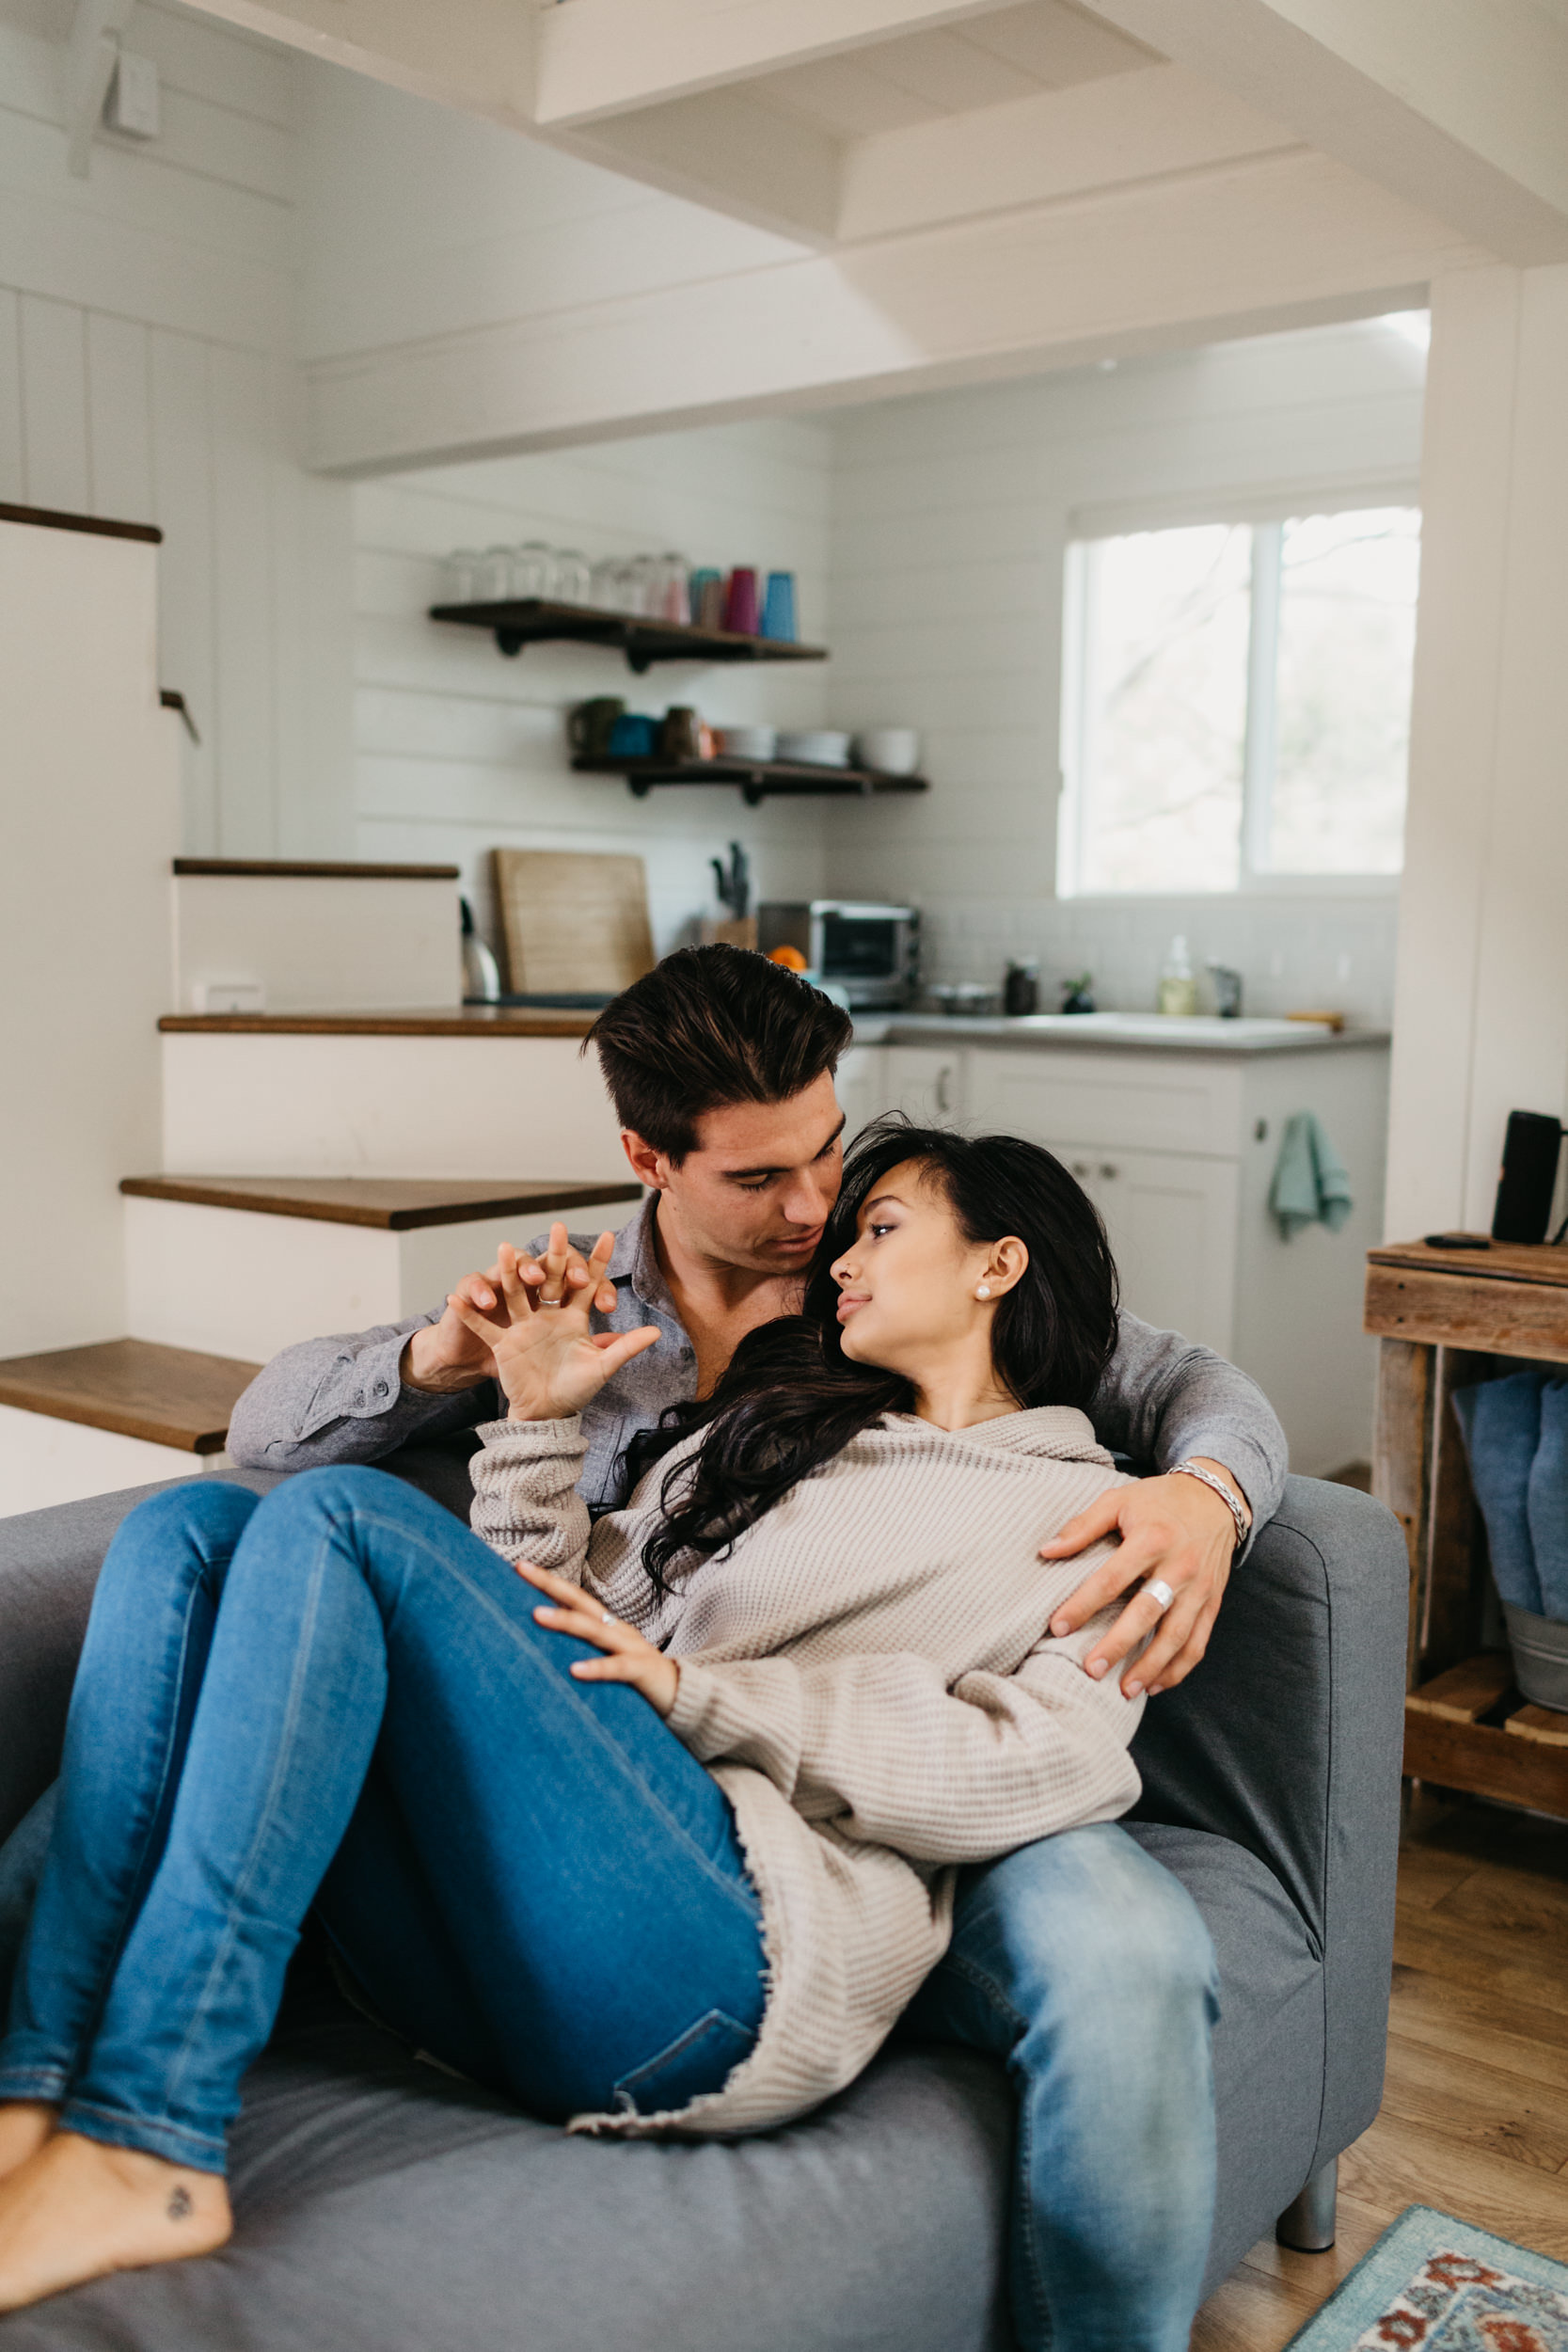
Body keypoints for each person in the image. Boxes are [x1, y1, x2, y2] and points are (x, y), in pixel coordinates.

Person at [219, 946, 1280, 2352]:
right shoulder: (603, 1317)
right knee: (212, 1538)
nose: (815, 1218)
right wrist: (475, 1374)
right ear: (648, 1160)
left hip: (855, 1763)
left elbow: (1175, 1380)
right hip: (651, 1768)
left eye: (833, 1165)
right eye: (759, 1181)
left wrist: (1205, 1498)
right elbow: (278, 1440)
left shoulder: (918, 1333)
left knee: (1119, 1942)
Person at [1, 1123, 1174, 2327]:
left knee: (342, 1518)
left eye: (879, 1229)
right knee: (185, 1535)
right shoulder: (763, 1432)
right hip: (519, 1928)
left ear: (998, 1264)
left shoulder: (1100, 1513)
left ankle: (150, 2137)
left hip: (724, 1965)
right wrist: (537, 1415)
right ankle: (30, 2093)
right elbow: (541, 1643)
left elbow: (1047, 1757)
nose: (837, 1260)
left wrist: (702, 1696)